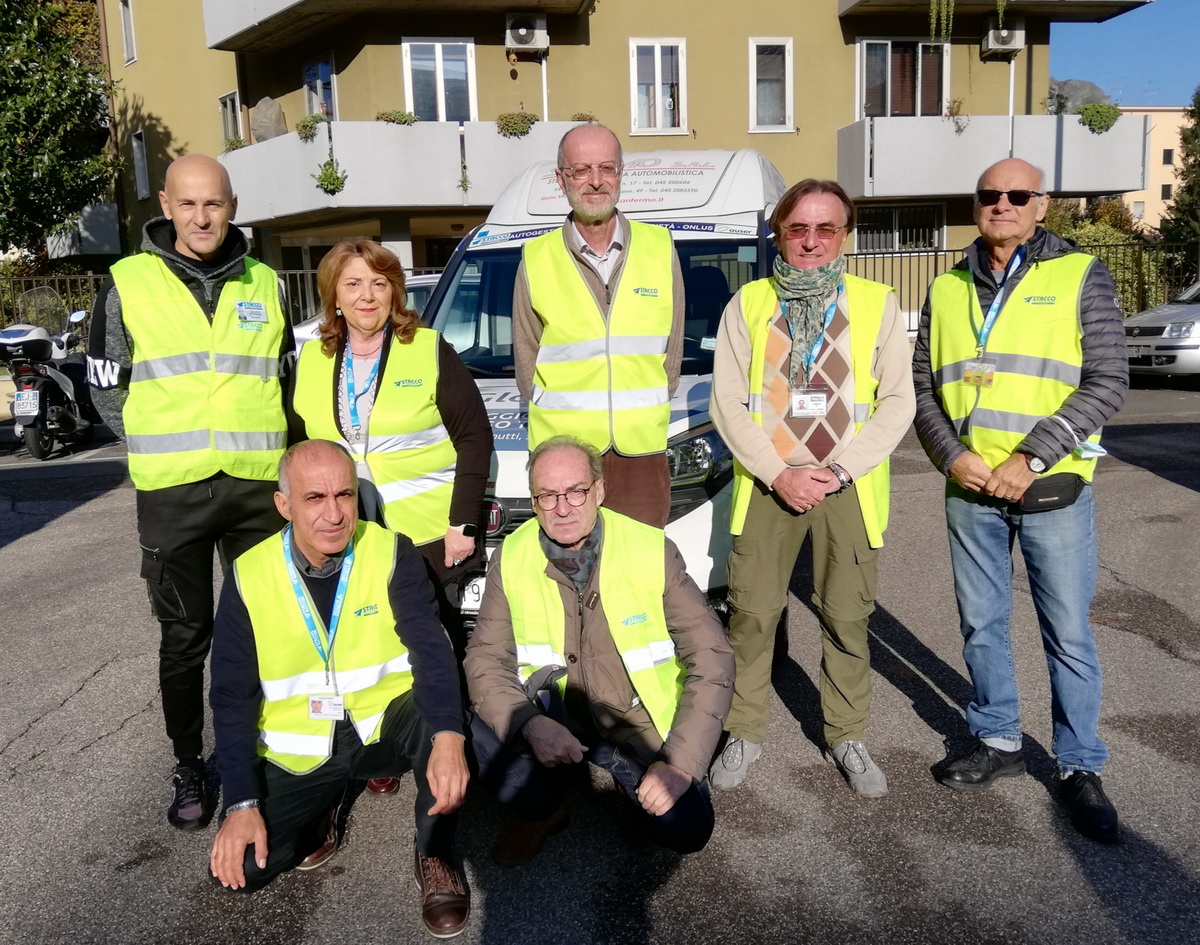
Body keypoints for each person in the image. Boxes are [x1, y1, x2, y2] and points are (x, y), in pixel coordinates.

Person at [912, 158, 1127, 843]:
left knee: (1067, 633)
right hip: (971, 487)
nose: (1000, 204)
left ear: (1043, 205)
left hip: (1051, 484)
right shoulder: (945, 287)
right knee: (981, 622)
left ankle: (1078, 766)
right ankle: (998, 739)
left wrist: (1029, 457)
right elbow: (923, 385)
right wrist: (956, 456)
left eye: (1017, 195)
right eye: (989, 194)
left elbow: (1108, 379)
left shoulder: (1079, 275)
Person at [86, 154, 290, 830]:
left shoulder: (266, 280)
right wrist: (147, 437)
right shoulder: (127, 282)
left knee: (263, 627)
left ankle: (264, 748)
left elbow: (283, 378)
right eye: (189, 204)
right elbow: (103, 381)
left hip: (256, 485)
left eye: (215, 204)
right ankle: (187, 759)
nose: (202, 218)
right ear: (167, 206)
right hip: (172, 491)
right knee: (184, 636)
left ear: (233, 206)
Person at [208, 440, 471, 938]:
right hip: (306, 744)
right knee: (240, 872)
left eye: (345, 496)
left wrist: (449, 740)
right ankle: (318, 808)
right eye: (314, 499)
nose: (333, 514)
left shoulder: (390, 551)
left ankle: (434, 853)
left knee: (452, 729)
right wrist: (239, 803)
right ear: (284, 505)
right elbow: (231, 696)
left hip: (382, 726)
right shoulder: (249, 573)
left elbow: (433, 653)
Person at [708, 179, 915, 797]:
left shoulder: (878, 303)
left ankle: (846, 734)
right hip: (769, 483)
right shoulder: (747, 303)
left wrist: (841, 469)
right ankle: (742, 730)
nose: (812, 241)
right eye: (799, 228)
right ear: (779, 233)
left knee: (847, 618)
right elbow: (726, 403)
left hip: (847, 485)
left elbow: (899, 401)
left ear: (845, 236)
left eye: (826, 229)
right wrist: (780, 473)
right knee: (751, 616)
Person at [464, 435, 733, 861]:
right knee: (479, 739)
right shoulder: (512, 557)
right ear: (534, 502)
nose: (563, 507)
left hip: (633, 715)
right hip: (554, 710)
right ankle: (543, 813)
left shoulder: (650, 550)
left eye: (576, 490)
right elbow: (485, 659)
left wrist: (680, 763)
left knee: (685, 826)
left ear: (600, 491)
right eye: (548, 495)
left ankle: (633, 785)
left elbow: (712, 657)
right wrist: (530, 725)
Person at [513, 123, 685, 528]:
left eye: (606, 168)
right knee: (570, 572)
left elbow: (671, 354)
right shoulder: (536, 258)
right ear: (561, 179)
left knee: (640, 567)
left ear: (621, 173)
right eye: (581, 170)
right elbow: (527, 362)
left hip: (640, 454)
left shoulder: (660, 248)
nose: (595, 181)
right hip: (564, 457)